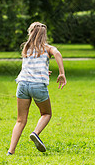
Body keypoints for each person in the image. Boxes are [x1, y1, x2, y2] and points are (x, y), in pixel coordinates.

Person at [7, 22, 67, 155]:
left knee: (20, 120)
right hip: (38, 86)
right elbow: (57, 53)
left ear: (31, 33)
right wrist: (62, 73)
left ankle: (11, 151)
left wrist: (44, 71)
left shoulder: (26, 48)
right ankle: (35, 133)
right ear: (44, 35)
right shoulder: (47, 48)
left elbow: (32, 65)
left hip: (22, 85)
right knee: (46, 114)